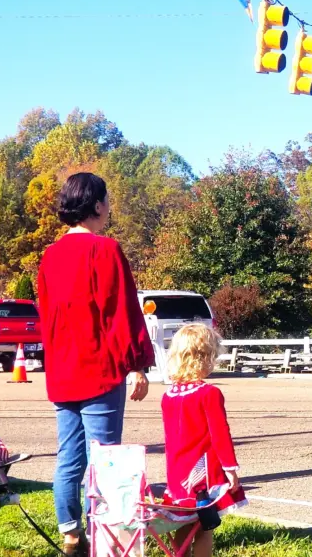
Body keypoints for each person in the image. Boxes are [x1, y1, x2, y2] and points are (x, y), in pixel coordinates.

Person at [37, 172, 154, 557]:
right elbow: (120, 312)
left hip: (63, 371)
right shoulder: (105, 250)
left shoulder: (50, 256)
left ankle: (71, 533)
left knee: (69, 457)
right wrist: (136, 363)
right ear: (97, 204)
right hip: (99, 371)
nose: (108, 207)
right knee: (105, 458)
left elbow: (48, 318)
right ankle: (105, 534)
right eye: (107, 200)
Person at [162, 324, 246, 556]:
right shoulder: (209, 393)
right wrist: (230, 469)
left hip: (178, 473)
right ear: (206, 358)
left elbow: (170, 438)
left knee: (183, 524)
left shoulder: (169, 396)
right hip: (203, 473)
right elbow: (220, 434)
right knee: (204, 525)